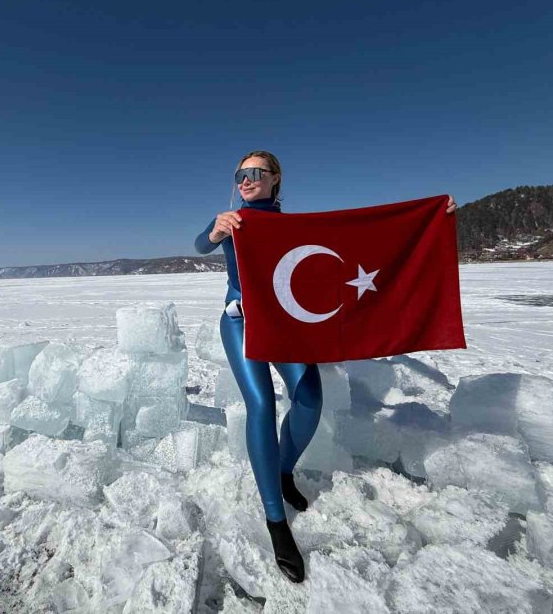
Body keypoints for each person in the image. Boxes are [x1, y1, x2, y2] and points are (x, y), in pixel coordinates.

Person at [194, 151, 457, 583]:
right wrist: (215, 229)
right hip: (241, 322)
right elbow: (201, 244)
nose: (246, 179)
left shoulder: (293, 229)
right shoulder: (234, 222)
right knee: (260, 404)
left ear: (276, 179)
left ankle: (282, 471)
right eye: (240, 173)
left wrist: (434, 217)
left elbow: (361, 243)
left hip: (282, 324)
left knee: (309, 398)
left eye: (256, 172)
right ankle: (276, 522)